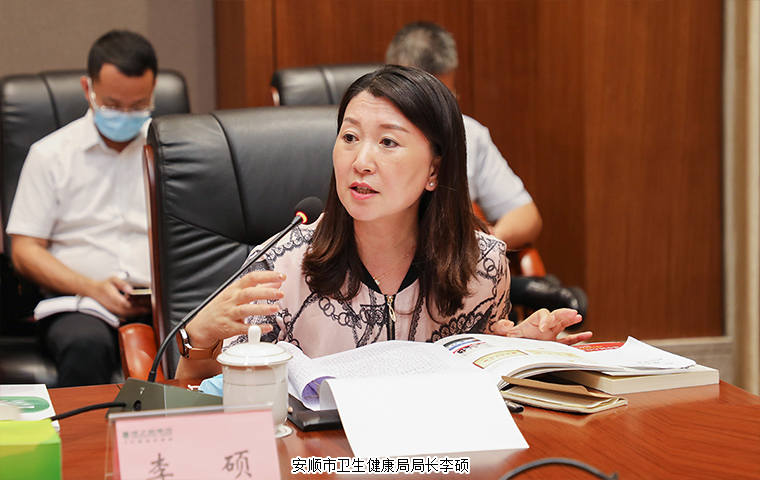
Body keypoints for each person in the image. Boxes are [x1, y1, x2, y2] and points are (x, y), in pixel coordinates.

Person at [175, 65, 591, 380]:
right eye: (349, 137)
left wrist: (524, 354)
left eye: (388, 142)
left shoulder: (483, 265)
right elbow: (209, 394)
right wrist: (198, 340)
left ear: (434, 170)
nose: (361, 161)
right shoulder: (279, 265)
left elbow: (487, 387)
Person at [6, 30, 157, 386]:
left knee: (207, 336)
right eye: (113, 105)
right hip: (79, 304)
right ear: (88, 88)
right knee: (85, 345)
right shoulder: (50, 155)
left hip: (159, 303)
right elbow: (25, 250)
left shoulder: (172, 151)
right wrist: (91, 287)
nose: (125, 115)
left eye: (138, 106)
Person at [385, 22, 542, 250]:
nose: (436, 112)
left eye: (445, 97)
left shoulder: (469, 133)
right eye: (422, 100)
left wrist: (484, 244)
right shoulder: (365, 139)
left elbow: (527, 216)